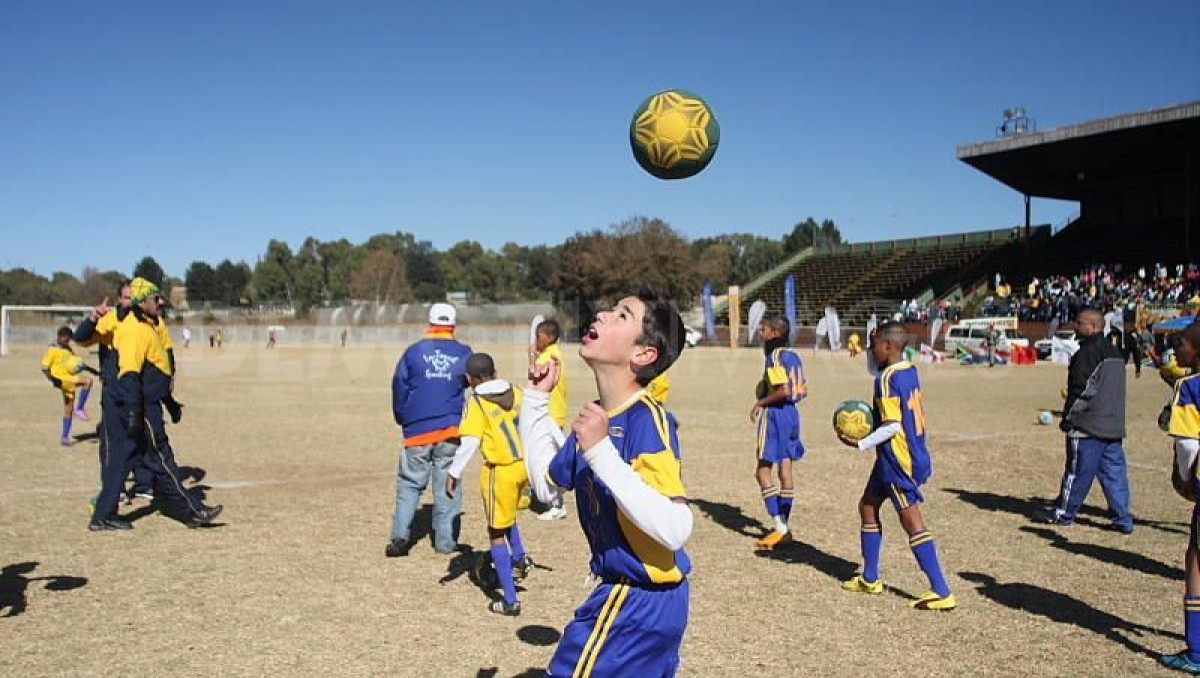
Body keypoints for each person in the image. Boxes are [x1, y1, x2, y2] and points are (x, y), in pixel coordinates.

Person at [520, 288, 693, 677]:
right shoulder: (598, 417)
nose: (601, 315)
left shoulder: (647, 420)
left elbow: (677, 527)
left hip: (636, 600)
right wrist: (534, 400)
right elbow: (546, 487)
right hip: (640, 600)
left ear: (643, 354)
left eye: (622, 315)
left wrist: (599, 452)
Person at [839, 321, 956, 611]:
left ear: (888, 346)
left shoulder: (886, 379)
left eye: (875, 344)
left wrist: (860, 442)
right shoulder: (908, 369)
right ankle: (870, 577)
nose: (871, 350)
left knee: (912, 522)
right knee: (867, 506)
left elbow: (892, 425)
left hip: (898, 459)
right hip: (905, 453)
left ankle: (941, 591)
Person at [90, 278, 222, 531]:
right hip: (142, 407)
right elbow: (129, 374)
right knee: (161, 459)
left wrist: (170, 401)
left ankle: (103, 516)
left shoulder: (147, 325)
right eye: (155, 298)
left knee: (121, 460)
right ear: (142, 302)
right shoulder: (135, 331)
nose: (160, 302)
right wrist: (135, 412)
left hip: (144, 403)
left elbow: (155, 371)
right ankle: (193, 512)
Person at [445, 353, 533, 615]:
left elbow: (470, 441)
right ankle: (519, 557)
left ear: (470, 379)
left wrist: (454, 472)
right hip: (523, 465)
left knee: (496, 530)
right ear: (495, 371)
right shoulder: (517, 391)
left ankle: (510, 599)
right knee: (507, 516)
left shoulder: (478, 402)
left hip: (500, 470)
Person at [386, 303, 473, 557]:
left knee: (410, 485)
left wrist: (403, 418)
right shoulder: (464, 353)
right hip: (450, 429)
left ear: (430, 323)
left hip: (417, 431)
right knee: (448, 485)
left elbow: (399, 386)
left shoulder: (413, 353)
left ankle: (400, 538)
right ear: (452, 325)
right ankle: (445, 543)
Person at [1041, 309, 1134, 533]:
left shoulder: (1086, 355)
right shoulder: (1114, 352)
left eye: (1079, 323)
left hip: (1087, 426)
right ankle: (1123, 519)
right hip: (1112, 427)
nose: (1075, 326)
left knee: (1077, 472)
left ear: (1093, 327)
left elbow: (1081, 391)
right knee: (1115, 476)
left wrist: (1069, 418)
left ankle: (1064, 513)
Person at [1159, 320, 1200, 673]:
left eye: (1182, 345)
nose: (1176, 351)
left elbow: (1187, 444)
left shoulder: (1190, 387)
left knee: (1196, 561)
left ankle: (1197, 650)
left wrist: (1187, 482)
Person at [751, 314, 806, 549]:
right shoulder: (793, 356)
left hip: (775, 414)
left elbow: (783, 390)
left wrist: (761, 402)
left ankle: (780, 527)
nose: (761, 333)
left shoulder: (774, 357)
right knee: (786, 469)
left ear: (775, 333)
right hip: (792, 415)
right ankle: (784, 525)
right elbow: (798, 390)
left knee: (763, 472)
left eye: (764, 329)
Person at [533, 319, 570, 522]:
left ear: (548, 337)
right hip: (556, 412)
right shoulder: (557, 353)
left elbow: (534, 377)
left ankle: (557, 504)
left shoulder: (547, 357)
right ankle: (554, 501)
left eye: (538, 337)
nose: (536, 341)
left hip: (548, 412)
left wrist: (532, 356)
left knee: (546, 459)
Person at [40, 326, 96, 446]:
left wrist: (93, 370)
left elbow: (76, 363)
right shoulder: (52, 350)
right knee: (87, 382)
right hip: (63, 379)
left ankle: (64, 437)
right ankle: (80, 408)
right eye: (66, 339)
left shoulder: (67, 349)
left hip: (68, 378)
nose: (67, 342)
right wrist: (53, 380)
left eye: (69, 340)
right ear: (60, 337)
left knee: (68, 410)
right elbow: (44, 368)